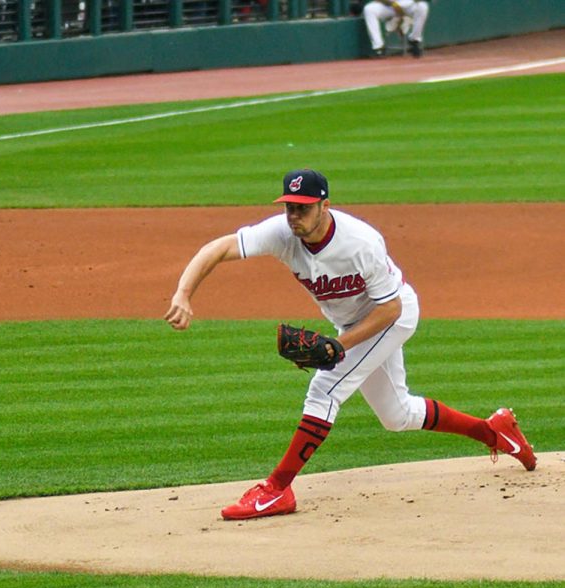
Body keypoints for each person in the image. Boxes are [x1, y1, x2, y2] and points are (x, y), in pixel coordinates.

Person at [164, 168, 537, 521]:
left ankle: (277, 488)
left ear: (325, 206)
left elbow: (390, 307)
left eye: (304, 208)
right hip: (352, 323)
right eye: (290, 207)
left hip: (392, 315)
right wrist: (183, 293)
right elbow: (218, 248)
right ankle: (493, 430)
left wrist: (338, 347)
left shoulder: (360, 242)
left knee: (325, 390)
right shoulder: (282, 232)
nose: (295, 215)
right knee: (397, 415)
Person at [363, 0, 430, 58]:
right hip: (389, 6)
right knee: (369, 9)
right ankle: (378, 47)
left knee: (422, 7)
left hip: (408, 6)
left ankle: (414, 39)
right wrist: (393, 4)